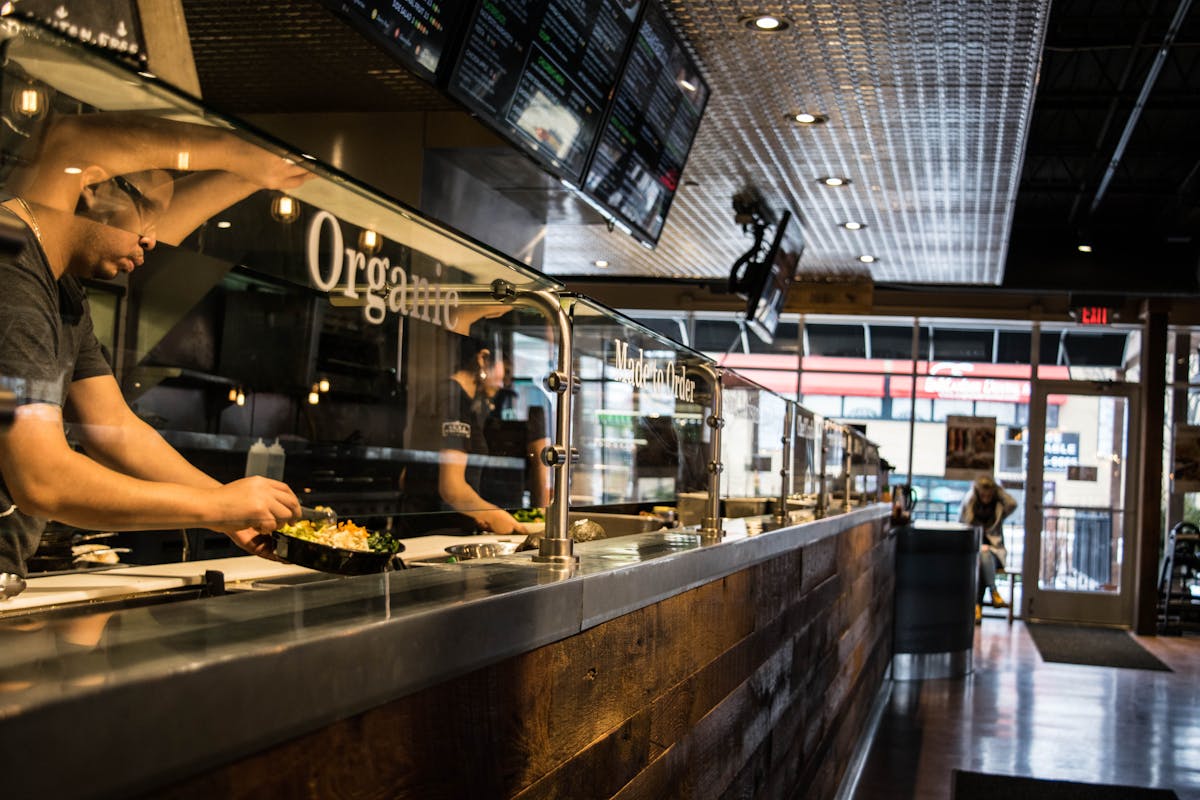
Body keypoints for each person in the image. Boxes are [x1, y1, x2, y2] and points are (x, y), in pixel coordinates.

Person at [0, 110, 313, 583]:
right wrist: (215, 506)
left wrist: (229, 512)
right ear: (94, 188)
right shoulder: (11, 261)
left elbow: (114, 428)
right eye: (148, 212)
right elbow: (42, 480)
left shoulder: (62, 289)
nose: (151, 239)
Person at [400, 328, 528, 536]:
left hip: (430, 529)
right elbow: (452, 488)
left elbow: (406, 477)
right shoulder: (453, 401)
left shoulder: (451, 398)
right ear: (483, 359)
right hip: (437, 533)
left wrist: (476, 514)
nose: (504, 382)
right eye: (504, 370)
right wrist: (496, 516)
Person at [959, 475, 1018, 623]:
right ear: (977, 493)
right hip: (973, 551)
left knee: (983, 556)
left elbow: (1012, 503)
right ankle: (993, 591)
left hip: (995, 552)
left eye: (990, 495)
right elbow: (961, 524)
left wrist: (998, 489)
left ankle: (976, 606)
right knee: (980, 559)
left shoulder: (998, 507)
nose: (986, 498)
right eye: (983, 495)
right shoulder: (970, 507)